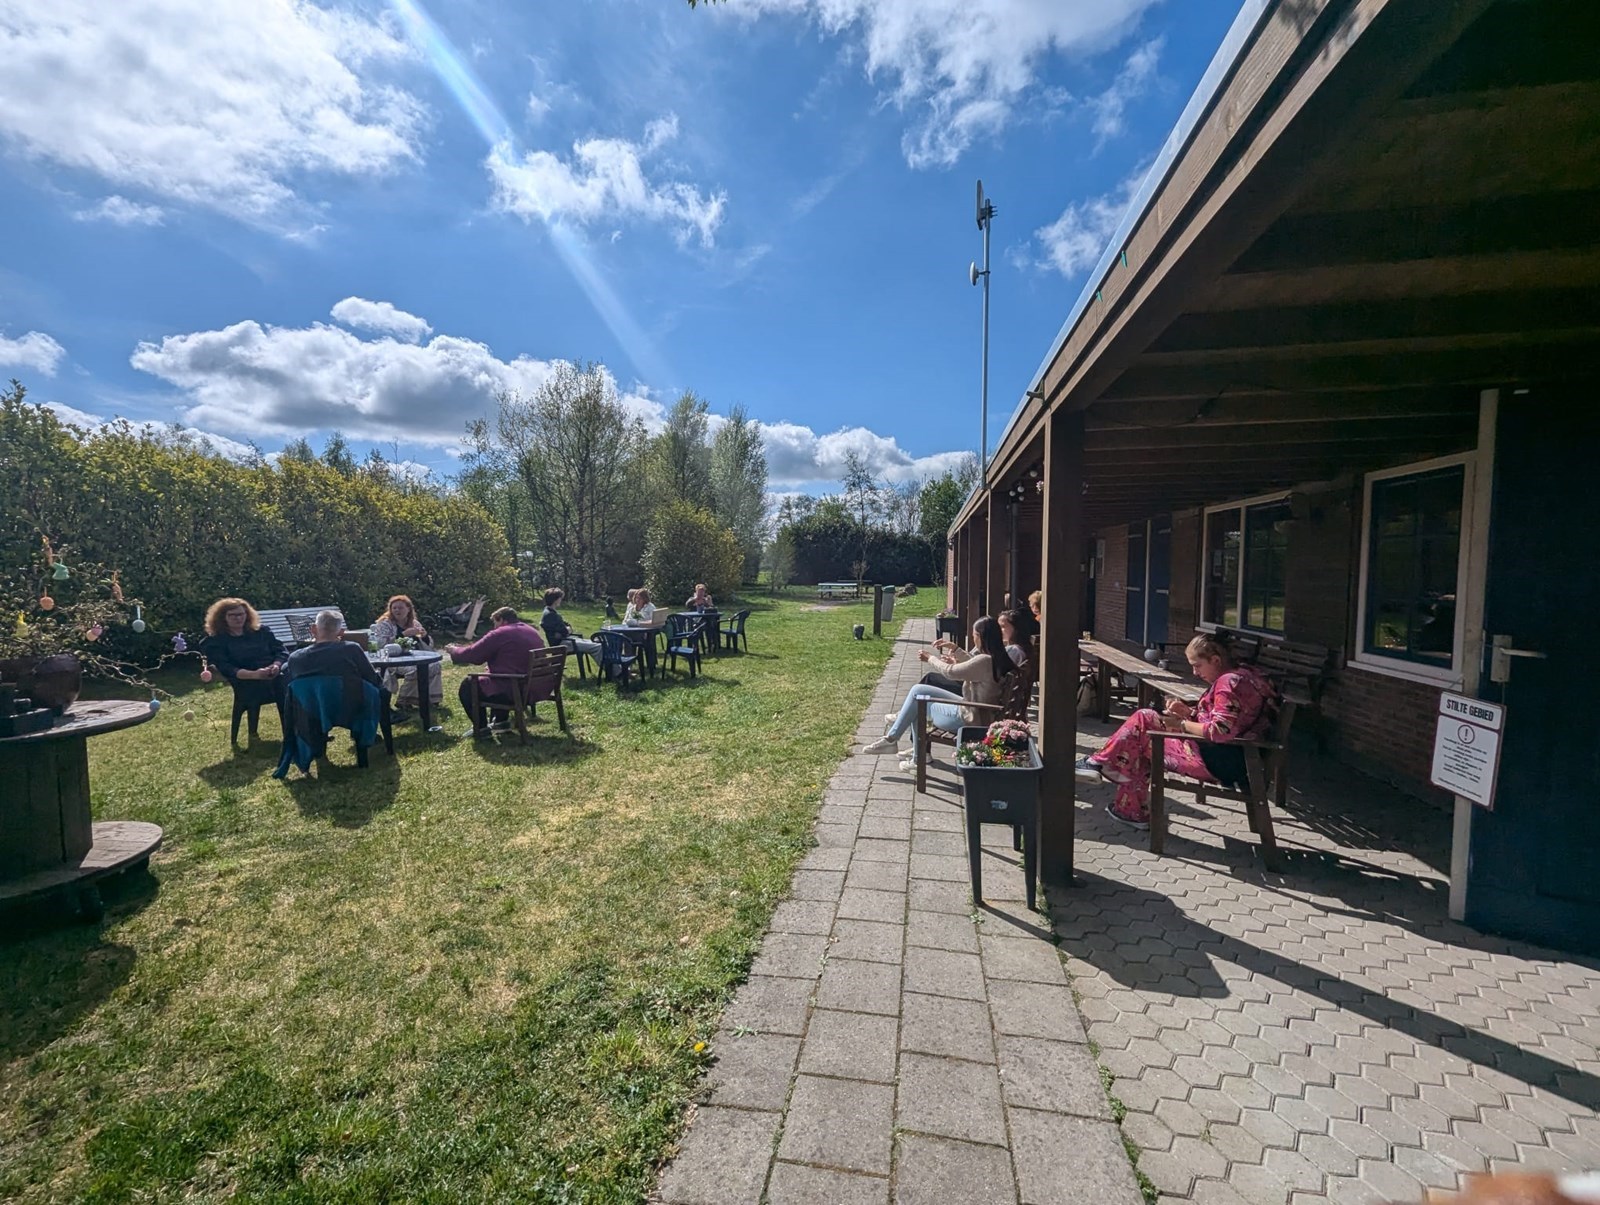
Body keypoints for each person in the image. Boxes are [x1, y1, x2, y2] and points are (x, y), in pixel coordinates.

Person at [1076, 633, 1277, 831]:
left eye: (1197, 665)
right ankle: (1125, 804)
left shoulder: (1229, 683)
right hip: (1240, 758)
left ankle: (1103, 768)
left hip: (1221, 762)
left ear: (1215, 660)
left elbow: (1219, 730)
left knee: (1144, 721)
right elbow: (1226, 722)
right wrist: (1188, 713)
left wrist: (1181, 724)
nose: (1195, 673)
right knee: (1143, 737)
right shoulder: (1246, 676)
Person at [864, 616, 1015, 770]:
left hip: (969, 718)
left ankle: (906, 748)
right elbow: (974, 665)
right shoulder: (998, 658)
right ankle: (896, 738)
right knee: (919, 691)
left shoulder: (984, 660)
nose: (973, 639)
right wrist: (957, 650)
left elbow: (950, 672)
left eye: (974, 635)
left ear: (982, 637)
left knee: (920, 704)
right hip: (977, 709)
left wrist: (930, 658)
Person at [446, 606, 545, 736]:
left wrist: (455, 650)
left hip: (515, 691)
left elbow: (474, 655)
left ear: (501, 620)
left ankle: (481, 728)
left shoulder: (501, 633)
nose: (494, 627)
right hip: (535, 687)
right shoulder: (530, 630)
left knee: (468, 686)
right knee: (495, 677)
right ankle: (500, 722)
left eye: (495, 623)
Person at [200, 597, 289, 723]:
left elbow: (281, 650)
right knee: (286, 687)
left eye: (241, 614)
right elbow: (225, 667)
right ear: (222, 617)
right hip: (246, 684)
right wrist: (254, 674)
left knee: (291, 680)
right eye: (233, 615)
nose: (238, 618)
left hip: (274, 675)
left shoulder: (261, 631)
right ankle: (294, 732)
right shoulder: (215, 641)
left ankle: (298, 729)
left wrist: (276, 665)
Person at [369, 594, 442, 713]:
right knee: (415, 669)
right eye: (394, 608)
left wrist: (424, 636)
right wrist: (403, 635)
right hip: (393, 660)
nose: (397, 610)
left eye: (400, 608)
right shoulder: (384, 624)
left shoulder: (414, 623)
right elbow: (380, 645)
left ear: (408, 609)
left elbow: (428, 645)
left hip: (413, 656)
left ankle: (432, 699)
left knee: (435, 665)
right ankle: (404, 701)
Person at [283, 610, 386, 692]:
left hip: (310, 711)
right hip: (350, 708)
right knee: (383, 690)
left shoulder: (296, 657)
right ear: (341, 632)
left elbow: (285, 670)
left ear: (313, 629)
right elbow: (372, 679)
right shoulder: (351, 649)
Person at [539, 588, 602, 661]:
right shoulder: (551, 615)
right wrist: (567, 630)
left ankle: (613, 669)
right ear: (555, 600)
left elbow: (564, 626)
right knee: (597, 647)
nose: (561, 600)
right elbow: (565, 631)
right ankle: (615, 671)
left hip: (567, 640)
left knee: (597, 642)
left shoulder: (549, 612)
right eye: (560, 598)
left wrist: (566, 630)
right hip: (564, 644)